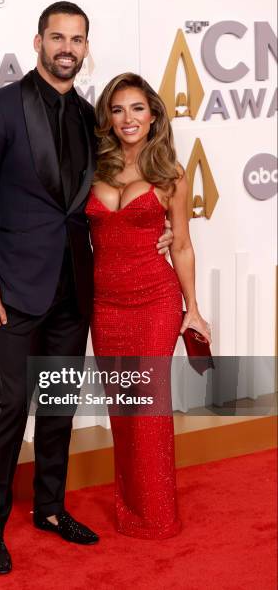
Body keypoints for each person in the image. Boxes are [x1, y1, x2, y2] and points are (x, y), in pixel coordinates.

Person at [0, 2, 173, 575]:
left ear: (85, 46)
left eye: (77, 39)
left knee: (57, 407)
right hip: (13, 288)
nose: (67, 47)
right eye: (57, 37)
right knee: (10, 408)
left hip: (76, 288)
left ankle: (50, 509)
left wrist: (164, 228)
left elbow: (117, 186)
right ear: (38, 41)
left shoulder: (88, 118)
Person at [85, 72, 211, 538]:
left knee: (150, 405)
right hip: (106, 304)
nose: (127, 118)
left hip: (155, 300)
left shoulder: (169, 173)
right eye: (117, 110)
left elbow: (180, 244)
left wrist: (192, 308)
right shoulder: (93, 167)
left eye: (137, 108)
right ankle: (130, 510)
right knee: (123, 407)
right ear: (108, 118)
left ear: (154, 114)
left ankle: (157, 517)